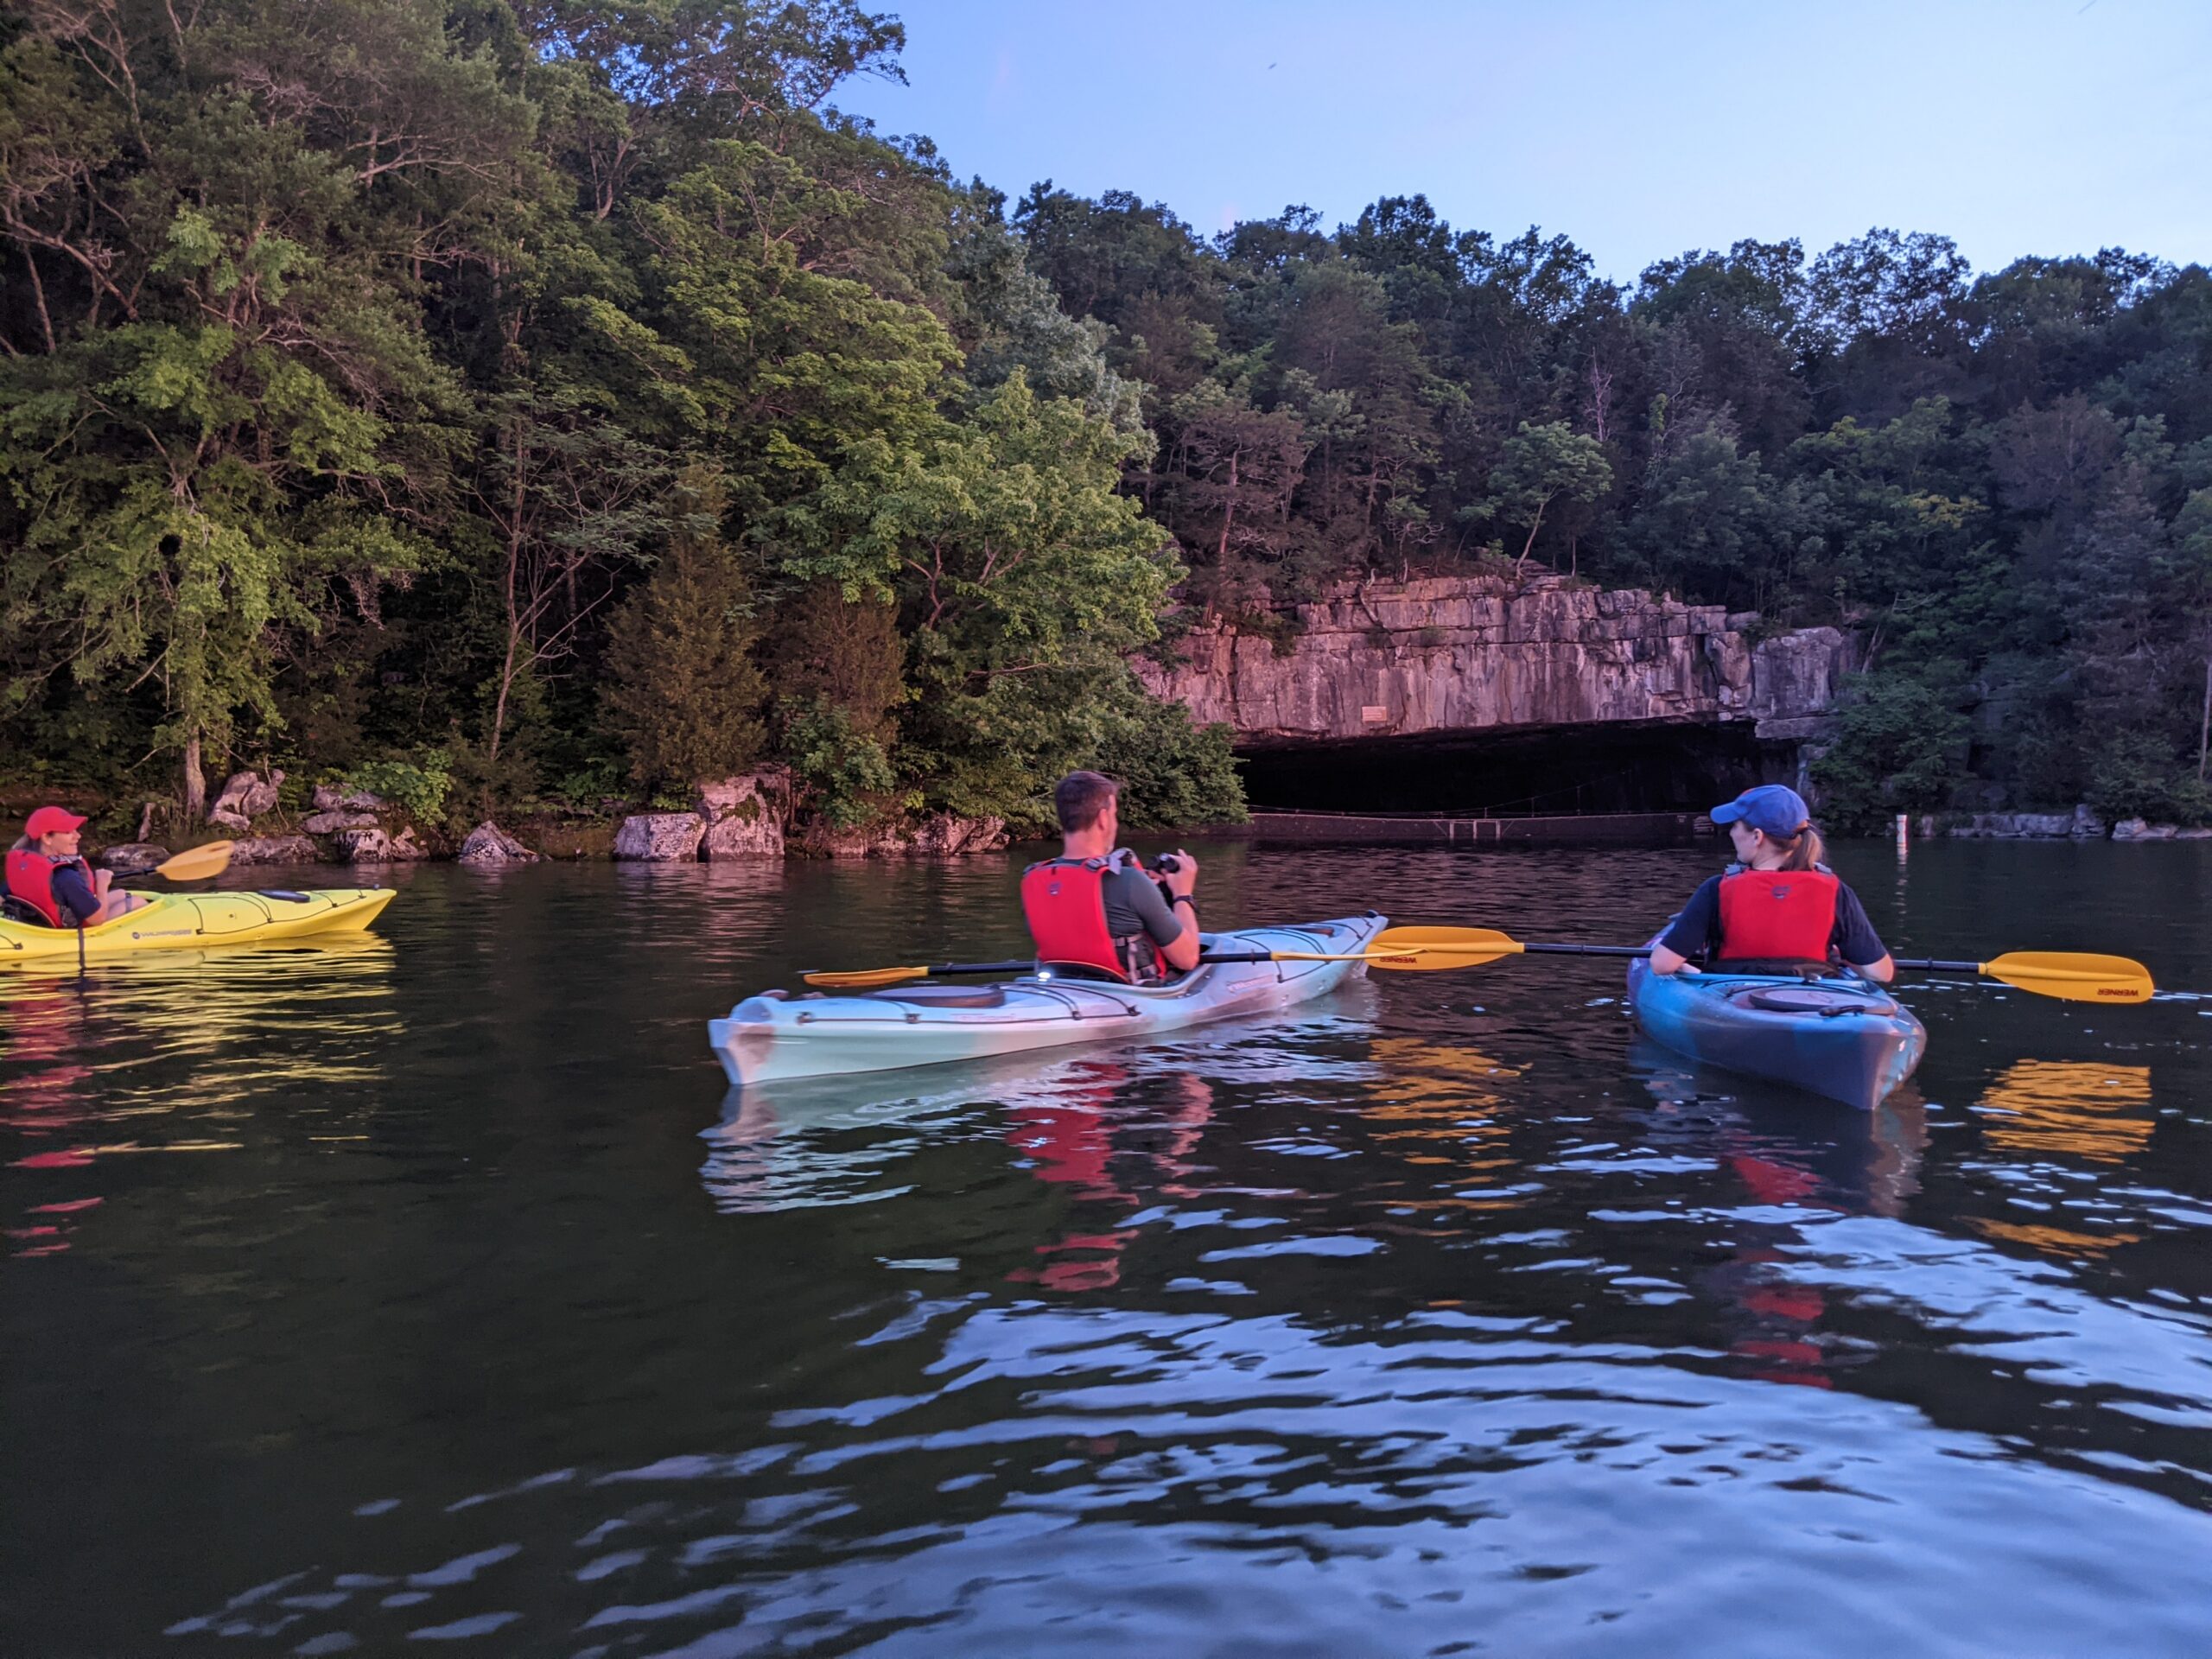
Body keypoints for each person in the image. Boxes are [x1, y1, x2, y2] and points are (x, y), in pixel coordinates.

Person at [1648, 785, 1895, 982]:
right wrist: (1845, 958)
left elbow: (1661, 964)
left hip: (1733, 1001)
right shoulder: (1836, 891)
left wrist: (1693, 971)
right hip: (1815, 1000)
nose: (1732, 833)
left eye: (1735, 826)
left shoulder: (1716, 889)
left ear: (1757, 836)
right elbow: (1881, 973)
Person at [1020, 771, 1201, 982]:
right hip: (1128, 999)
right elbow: (1188, 959)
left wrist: (1148, 892)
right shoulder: (1131, 881)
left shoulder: (1032, 878)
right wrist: (1182, 895)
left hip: (1063, 988)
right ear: (1103, 818)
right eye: (1115, 815)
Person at [3, 807, 149, 929]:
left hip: (35, 923)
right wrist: (102, 884)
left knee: (122, 893)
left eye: (76, 830)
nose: (78, 836)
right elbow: (97, 920)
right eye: (68, 832)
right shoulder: (65, 876)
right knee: (138, 902)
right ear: (47, 838)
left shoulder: (24, 865)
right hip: (66, 930)